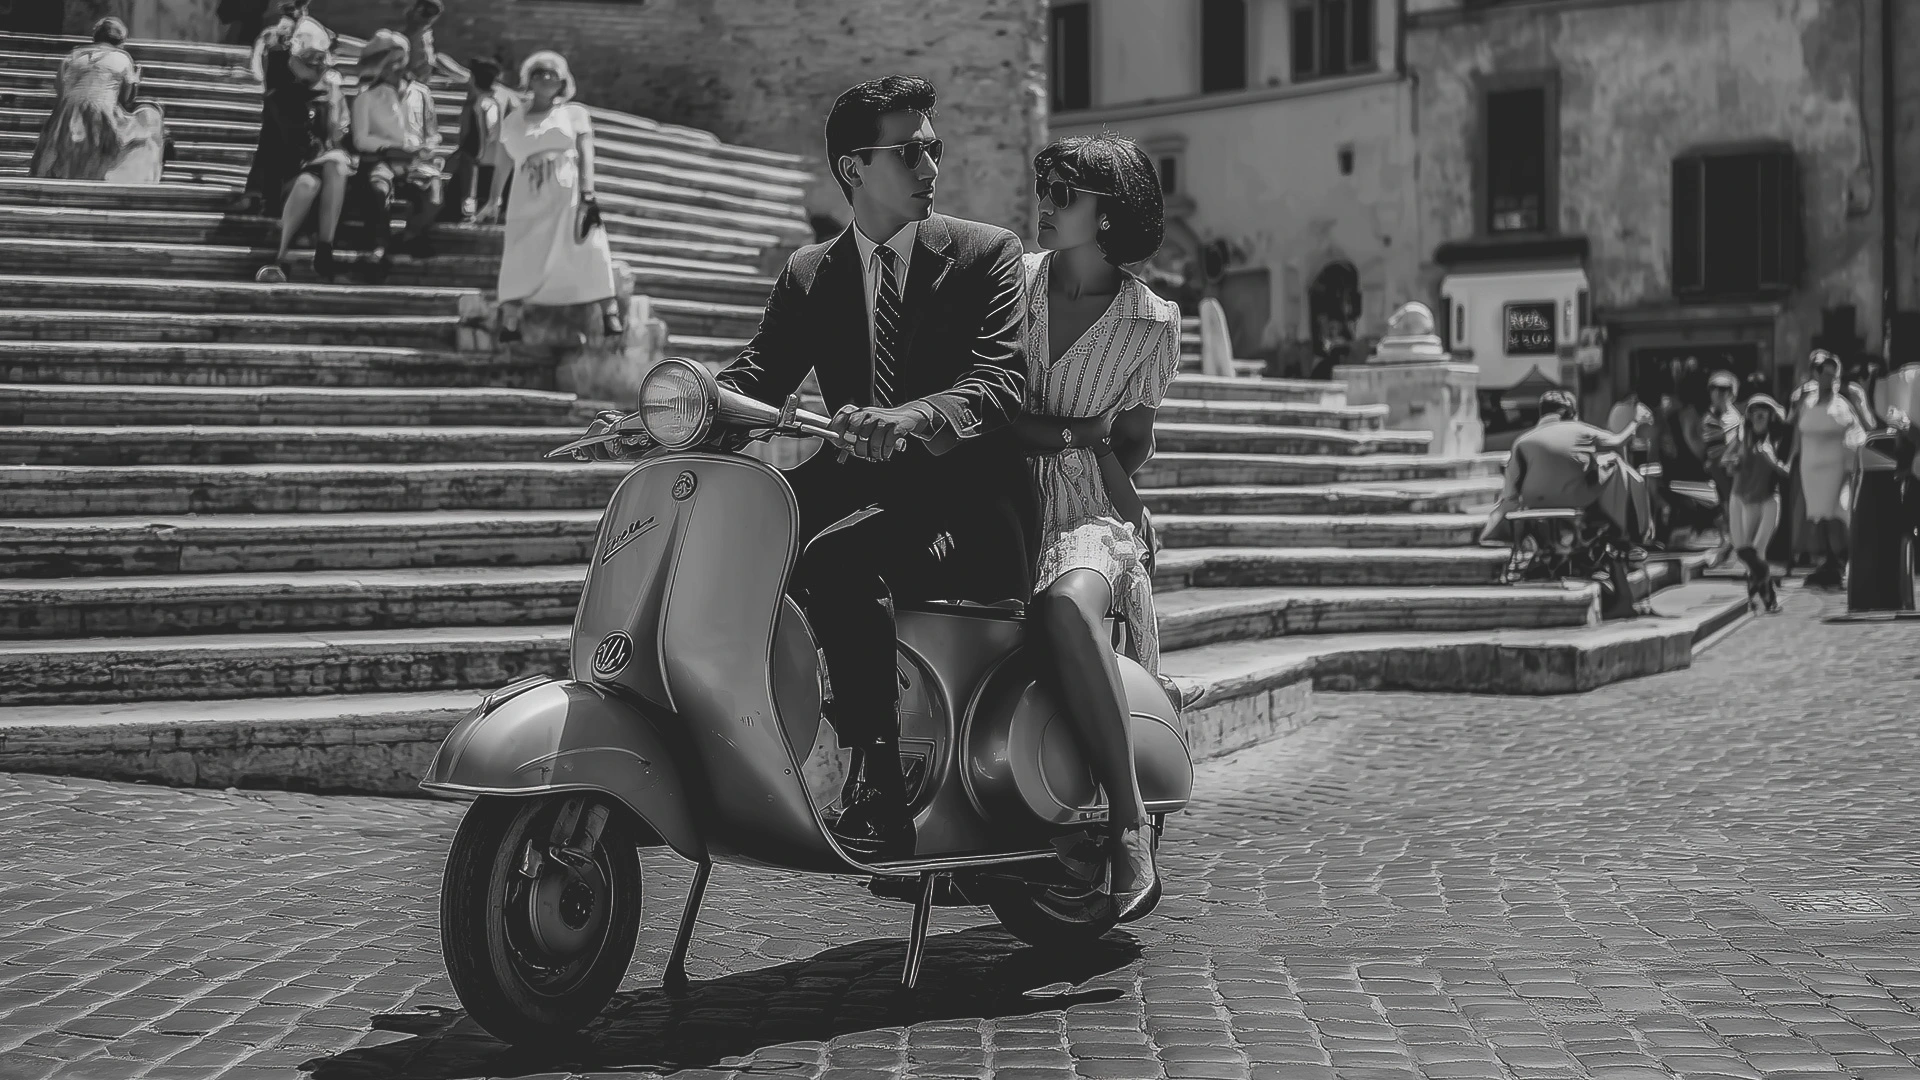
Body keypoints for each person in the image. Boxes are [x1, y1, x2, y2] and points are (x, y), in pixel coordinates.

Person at [702, 75, 1030, 860]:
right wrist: (678, 409)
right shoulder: (811, 271)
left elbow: (1000, 382)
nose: (930, 166)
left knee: (838, 557)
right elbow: (757, 376)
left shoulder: (988, 254)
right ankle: (726, 746)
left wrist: (913, 416)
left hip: (962, 498)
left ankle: (877, 782)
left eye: (933, 147)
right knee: (732, 536)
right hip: (852, 483)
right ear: (853, 168)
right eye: (909, 150)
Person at [1010, 134, 1181, 922]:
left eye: (1066, 193)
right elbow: (1001, 411)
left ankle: (1128, 823)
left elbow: (1132, 445)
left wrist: (1076, 442)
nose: (1048, 204)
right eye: (1046, 187)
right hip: (1001, 490)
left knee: (1066, 605)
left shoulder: (1151, 323)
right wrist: (1074, 431)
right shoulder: (1012, 283)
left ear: (1109, 211)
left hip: (1089, 505)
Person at [476, 51, 620, 339]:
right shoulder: (515, 118)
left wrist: (588, 194)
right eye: (540, 72)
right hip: (526, 195)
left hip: (565, 191)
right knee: (522, 252)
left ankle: (610, 313)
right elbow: (504, 160)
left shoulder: (573, 113)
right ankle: (511, 321)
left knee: (587, 247)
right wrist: (494, 199)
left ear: (563, 81)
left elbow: (585, 154)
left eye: (553, 73)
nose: (546, 77)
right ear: (529, 79)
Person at [1479, 388, 1654, 557]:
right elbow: (1619, 441)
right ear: (1568, 413)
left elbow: (1510, 488)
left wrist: (1507, 509)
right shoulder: (1580, 430)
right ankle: (1622, 536)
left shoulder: (1522, 440)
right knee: (1613, 462)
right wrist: (1636, 421)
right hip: (1575, 497)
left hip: (1534, 503)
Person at [251, 39, 351, 283]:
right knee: (310, 181)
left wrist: (335, 96)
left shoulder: (328, 95)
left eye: (322, 67)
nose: (318, 71)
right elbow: (296, 142)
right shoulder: (280, 98)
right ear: (295, 65)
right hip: (287, 176)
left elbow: (338, 134)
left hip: (326, 178)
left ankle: (325, 247)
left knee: (332, 167)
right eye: (312, 65)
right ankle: (281, 254)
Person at [28, 18, 166, 184]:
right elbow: (126, 99)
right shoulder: (122, 58)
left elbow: (60, 89)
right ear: (121, 42)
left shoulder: (73, 56)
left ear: (95, 38)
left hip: (62, 125)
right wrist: (135, 81)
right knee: (151, 117)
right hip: (103, 123)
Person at [350, 30, 442, 273]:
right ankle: (379, 243)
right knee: (379, 188)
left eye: (399, 59)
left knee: (433, 195)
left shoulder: (422, 94)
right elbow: (360, 139)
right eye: (390, 60)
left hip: (415, 161)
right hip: (383, 159)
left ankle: (408, 237)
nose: (396, 66)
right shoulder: (365, 97)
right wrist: (389, 147)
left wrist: (427, 147)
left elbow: (432, 132)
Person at [240, 0, 333, 214]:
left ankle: (261, 197)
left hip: (289, 95)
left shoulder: (308, 31)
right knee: (278, 145)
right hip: (282, 96)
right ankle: (266, 198)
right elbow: (259, 59)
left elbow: (320, 60)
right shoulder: (278, 34)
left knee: (274, 145)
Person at [1789, 350, 1869, 588]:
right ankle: (1831, 562)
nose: (1830, 379)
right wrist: (1790, 459)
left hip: (1838, 469)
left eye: (1834, 375)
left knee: (1840, 512)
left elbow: (1862, 431)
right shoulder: (1806, 401)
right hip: (1812, 469)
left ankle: (1847, 560)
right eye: (1825, 374)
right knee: (1820, 515)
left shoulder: (1844, 402)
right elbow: (1796, 431)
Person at [1724, 395, 1791, 613]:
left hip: (1769, 499)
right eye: (1754, 410)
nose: (1759, 414)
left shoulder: (1780, 438)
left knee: (1758, 550)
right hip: (1743, 497)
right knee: (1744, 552)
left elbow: (1787, 472)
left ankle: (1762, 598)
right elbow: (1726, 462)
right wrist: (1733, 463)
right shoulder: (1742, 437)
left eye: (1764, 410)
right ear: (1749, 415)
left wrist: (1772, 460)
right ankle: (1765, 594)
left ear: (1772, 414)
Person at [443, 57, 513, 223]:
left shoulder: (486, 102)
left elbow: (489, 129)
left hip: (485, 158)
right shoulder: (490, 99)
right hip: (487, 157)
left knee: (480, 194)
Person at [1702, 370, 1743, 568]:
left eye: (1725, 389)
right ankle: (1727, 544)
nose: (1719, 393)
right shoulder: (1708, 417)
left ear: (1732, 392)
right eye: (1715, 388)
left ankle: (1733, 548)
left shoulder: (1735, 417)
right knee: (1720, 509)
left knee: (1731, 507)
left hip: (1730, 471)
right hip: (1715, 471)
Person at [402, 0, 442, 82]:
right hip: (413, 74)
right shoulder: (413, 32)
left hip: (421, 73)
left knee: (440, 58)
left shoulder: (425, 32)